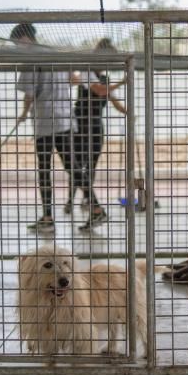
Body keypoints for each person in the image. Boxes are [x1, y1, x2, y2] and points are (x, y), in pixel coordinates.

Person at [13, 23, 76, 234]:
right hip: (65, 120)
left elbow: (29, 93)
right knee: (72, 166)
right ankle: (95, 208)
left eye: (16, 42)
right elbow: (72, 80)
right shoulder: (56, 54)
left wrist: (23, 114)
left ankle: (48, 218)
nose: (16, 47)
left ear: (24, 39)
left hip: (46, 122)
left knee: (44, 170)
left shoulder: (32, 58)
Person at [67, 37, 127, 231]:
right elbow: (100, 91)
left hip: (95, 126)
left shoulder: (105, 78)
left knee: (89, 166)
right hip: (80, 125)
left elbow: (113, 100)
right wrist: (124, 81)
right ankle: (75, 200)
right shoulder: (86, 72)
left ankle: (87, 202)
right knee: (76, 165)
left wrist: (129, 113)